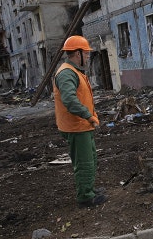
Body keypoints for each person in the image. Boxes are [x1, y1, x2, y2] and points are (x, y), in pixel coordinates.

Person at [53, 35, 107, 208]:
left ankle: (88, 188)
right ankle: (85, 197)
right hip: (76, 126)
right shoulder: (67, 73)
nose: (89, 56)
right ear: (78, 53)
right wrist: (88, 115)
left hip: (82, 125)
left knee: (91, 158)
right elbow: (69, 99)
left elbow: (82, 97)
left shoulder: (74, 72)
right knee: (84, 162)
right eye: (86, 53)